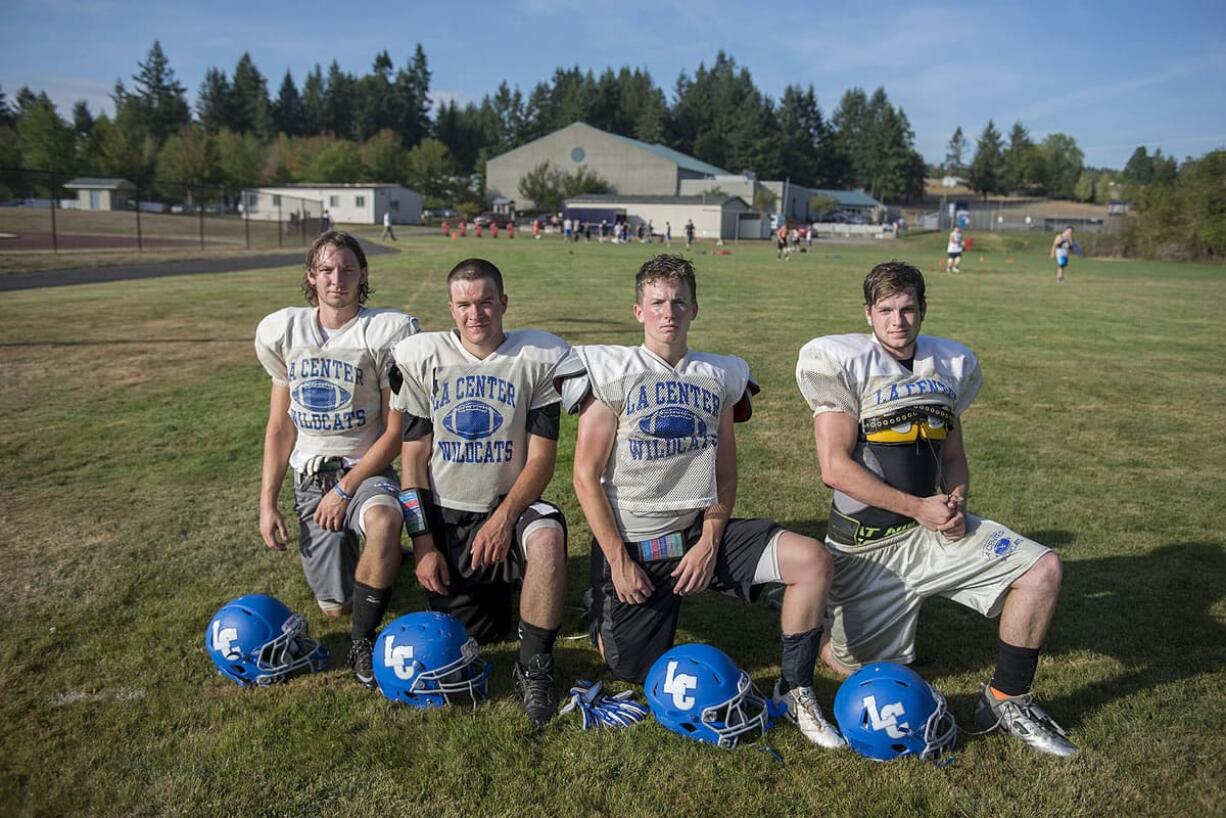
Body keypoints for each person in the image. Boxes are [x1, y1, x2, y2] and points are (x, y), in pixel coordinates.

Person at [560, 254, 843, 749]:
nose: (669, 312)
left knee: (812, 560)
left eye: (679, 302)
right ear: (638, 311)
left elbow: (725, 472)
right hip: (637, 546)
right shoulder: (612, 372)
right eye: (658, 303)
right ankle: (600, 605)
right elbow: (584, 477)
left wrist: (711, 540)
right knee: (628, 669)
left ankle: (795, 686)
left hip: (697, 531)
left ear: (694, 310)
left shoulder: (718, 376)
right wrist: (617, 562)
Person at [795, 260, 1076, 757]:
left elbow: (951, 454)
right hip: (867, 548)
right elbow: (835, 468)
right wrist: (918, 507)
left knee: (1043, 568)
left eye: (907, 309)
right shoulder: (842, 363)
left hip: (931, 532)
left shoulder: (948, 366)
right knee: (853, 667)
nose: (897, 321)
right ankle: (820, 616)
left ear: (923, 310)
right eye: (885, 310)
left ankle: (1008, 696)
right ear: (868, 313)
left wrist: (956, 499)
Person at [390, 258, 571, 725]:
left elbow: (542, 459)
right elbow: (412, 460)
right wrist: (425, 543)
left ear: (504, 303)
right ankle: (505, 588)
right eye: (465, 305)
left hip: (506, 508)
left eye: (486, 302)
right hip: (449, 516)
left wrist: (505, 518)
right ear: (450, 309)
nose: (477, 315)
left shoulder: (536, 357)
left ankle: (535, 670)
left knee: (549, 537)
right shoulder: (422, 358)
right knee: (477, 634)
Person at [254, 230, 420, 687]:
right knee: (335, 604)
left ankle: (363, 637)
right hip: (311, 477)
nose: (337, 279)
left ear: (362, 275)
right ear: (311, 276)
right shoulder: (285, 332)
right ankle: (379, 553)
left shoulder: (382, 332)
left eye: (348, 269)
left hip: (363, 470)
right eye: (326, 270)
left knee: (385, 519)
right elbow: (280, 426)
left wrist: (346, 488)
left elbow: (396, 430)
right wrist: (268, 502)